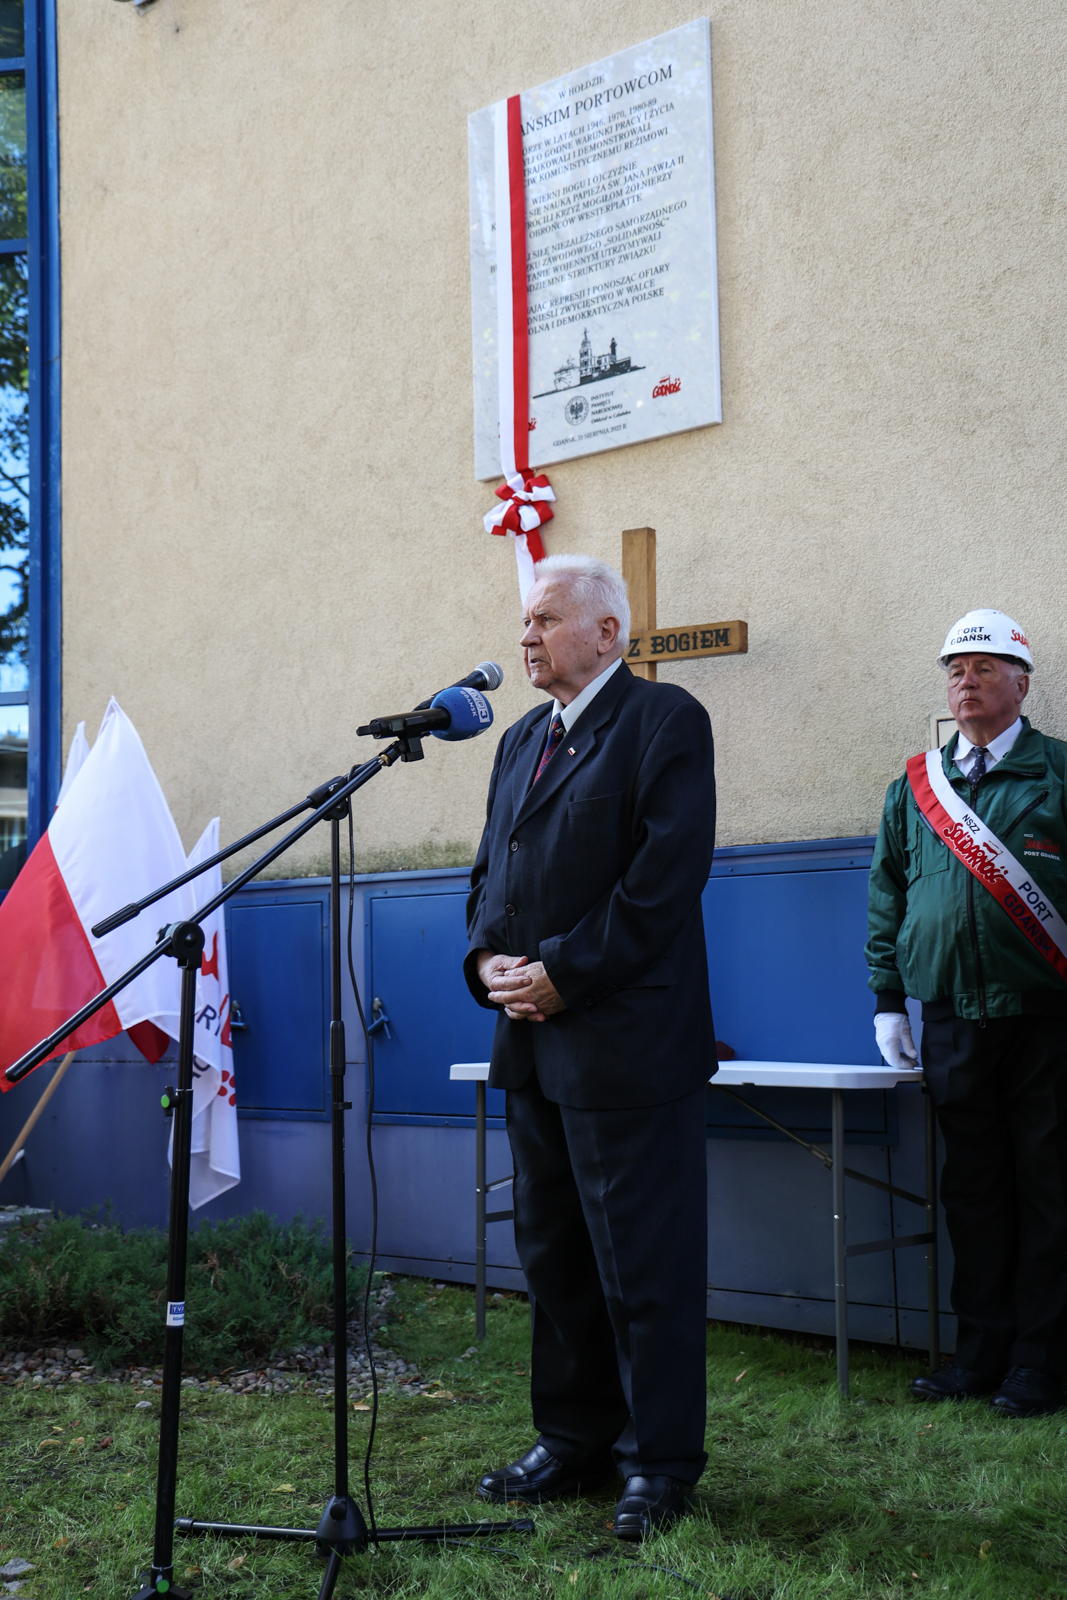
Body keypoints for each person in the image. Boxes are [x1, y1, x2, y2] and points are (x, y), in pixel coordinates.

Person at [464, 552, 716, 1539]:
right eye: (525, 620)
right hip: (530, 1043)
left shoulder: (663, 720)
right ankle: (571, 1437)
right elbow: (491, 872)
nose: (525, 635)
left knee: (641, 1266)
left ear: (607, 632)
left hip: (625, 1045)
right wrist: (486, 959)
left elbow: (663, 880)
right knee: (555, 1256)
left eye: (545, 618)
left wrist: (561, 970)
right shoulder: (521, 737)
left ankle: (658, 1462)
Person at [866, 608, 1067, 1418]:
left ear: (1021, 683)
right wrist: (887, 1001)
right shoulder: (914, 788)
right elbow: (887, 896)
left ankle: (1039, 1363)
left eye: (984, 668)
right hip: (949, 1017)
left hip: (1045, 1016)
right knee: (972, 1191)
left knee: (1048, 1190)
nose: (966, 682)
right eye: (955, 670)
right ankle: (978, 1354)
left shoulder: (1058, 771)